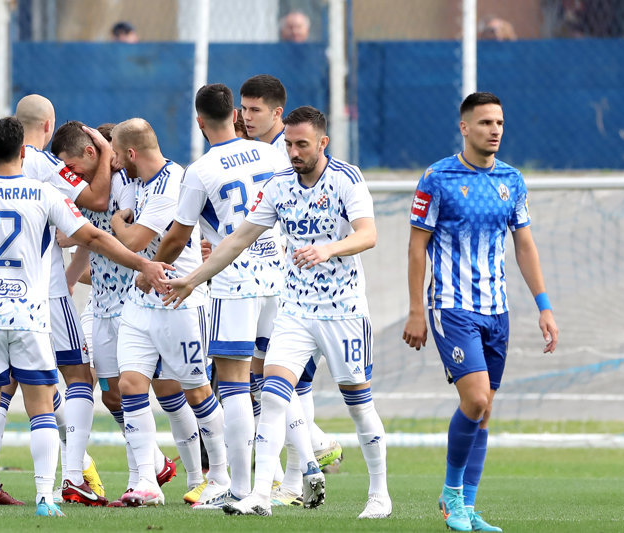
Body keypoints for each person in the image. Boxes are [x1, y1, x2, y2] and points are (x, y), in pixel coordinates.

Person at [0, 117, 171, 517]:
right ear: (24, 152)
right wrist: (142, 264)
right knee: (43, 407)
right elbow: (93, 236)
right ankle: (47, 496)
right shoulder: (44, 192)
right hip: (32, 316)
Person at [163, 106, 391, 519]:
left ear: (323, 142)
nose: (293, 152)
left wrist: (328, 249)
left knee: (358, 403)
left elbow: (368, 234)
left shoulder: (347, 178)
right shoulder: (279, 184)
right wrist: (193, 279)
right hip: (295, 310)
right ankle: (259, 496)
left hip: (342, 310)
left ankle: (379, 495)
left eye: (302, 144)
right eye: (288, 144)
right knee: (271, 394)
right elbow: (238, 240)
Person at [402, 91, 559, 532]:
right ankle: (451, 495)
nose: (494, 130)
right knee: (475, 399)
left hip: (497, 310)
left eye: (500, 123)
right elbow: (416, 247)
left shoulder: (512, 180)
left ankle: (468, 507)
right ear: (465, 127)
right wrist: (416, 310)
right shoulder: (437, 177)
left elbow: (524, 245)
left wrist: (544, 306)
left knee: (484, 409)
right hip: (452, 307)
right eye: (486, 122)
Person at [151, 83, 306, 510]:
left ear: (199, 121)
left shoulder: (200, 170)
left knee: (235, 385)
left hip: (233, 282)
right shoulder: (272, 154)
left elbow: (177, 237)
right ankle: (301, 470)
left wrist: (152, 269)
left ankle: (238, 488)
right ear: (236, 115)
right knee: (277, 379)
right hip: (278, 278)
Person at [52, 121, 205, 504]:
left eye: (73, 166)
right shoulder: (83, 190)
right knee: (113, 395)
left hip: (138, 303)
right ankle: (151, 469)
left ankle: (194, 478)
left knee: (168, 391)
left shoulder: (124, 185)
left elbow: (129, 233)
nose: (71, 175)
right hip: (103, 307)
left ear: (98, 153)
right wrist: (69, 275)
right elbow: (88, 240)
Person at [104, 117, 229, 507]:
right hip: (140, 304)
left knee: (197, 391)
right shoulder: (136, 181)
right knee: (129, 385)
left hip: (180, 302)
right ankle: (146, 481)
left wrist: (115, 223)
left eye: (116, 155)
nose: (113, 162)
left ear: (130, 153)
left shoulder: (174, 183)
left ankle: (220, 477)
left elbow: (134, 239)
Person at [241, 74, 345, 485]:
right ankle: (308, 454)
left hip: (293, 286)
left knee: (280, 378)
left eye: (255, 110)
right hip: (260, 279)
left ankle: (299, 472)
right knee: (266, 378)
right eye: (244, 109)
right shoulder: (256, 153)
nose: (246, 117)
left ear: (277, 113)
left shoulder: (291, 158)